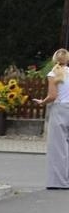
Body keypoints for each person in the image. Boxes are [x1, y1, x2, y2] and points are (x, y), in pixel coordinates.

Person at [45, 49, 69, 189]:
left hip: (59, 109)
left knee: (58, 147)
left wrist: (42, 102)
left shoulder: (53, 74)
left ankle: (58, 181)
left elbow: (52, 96)